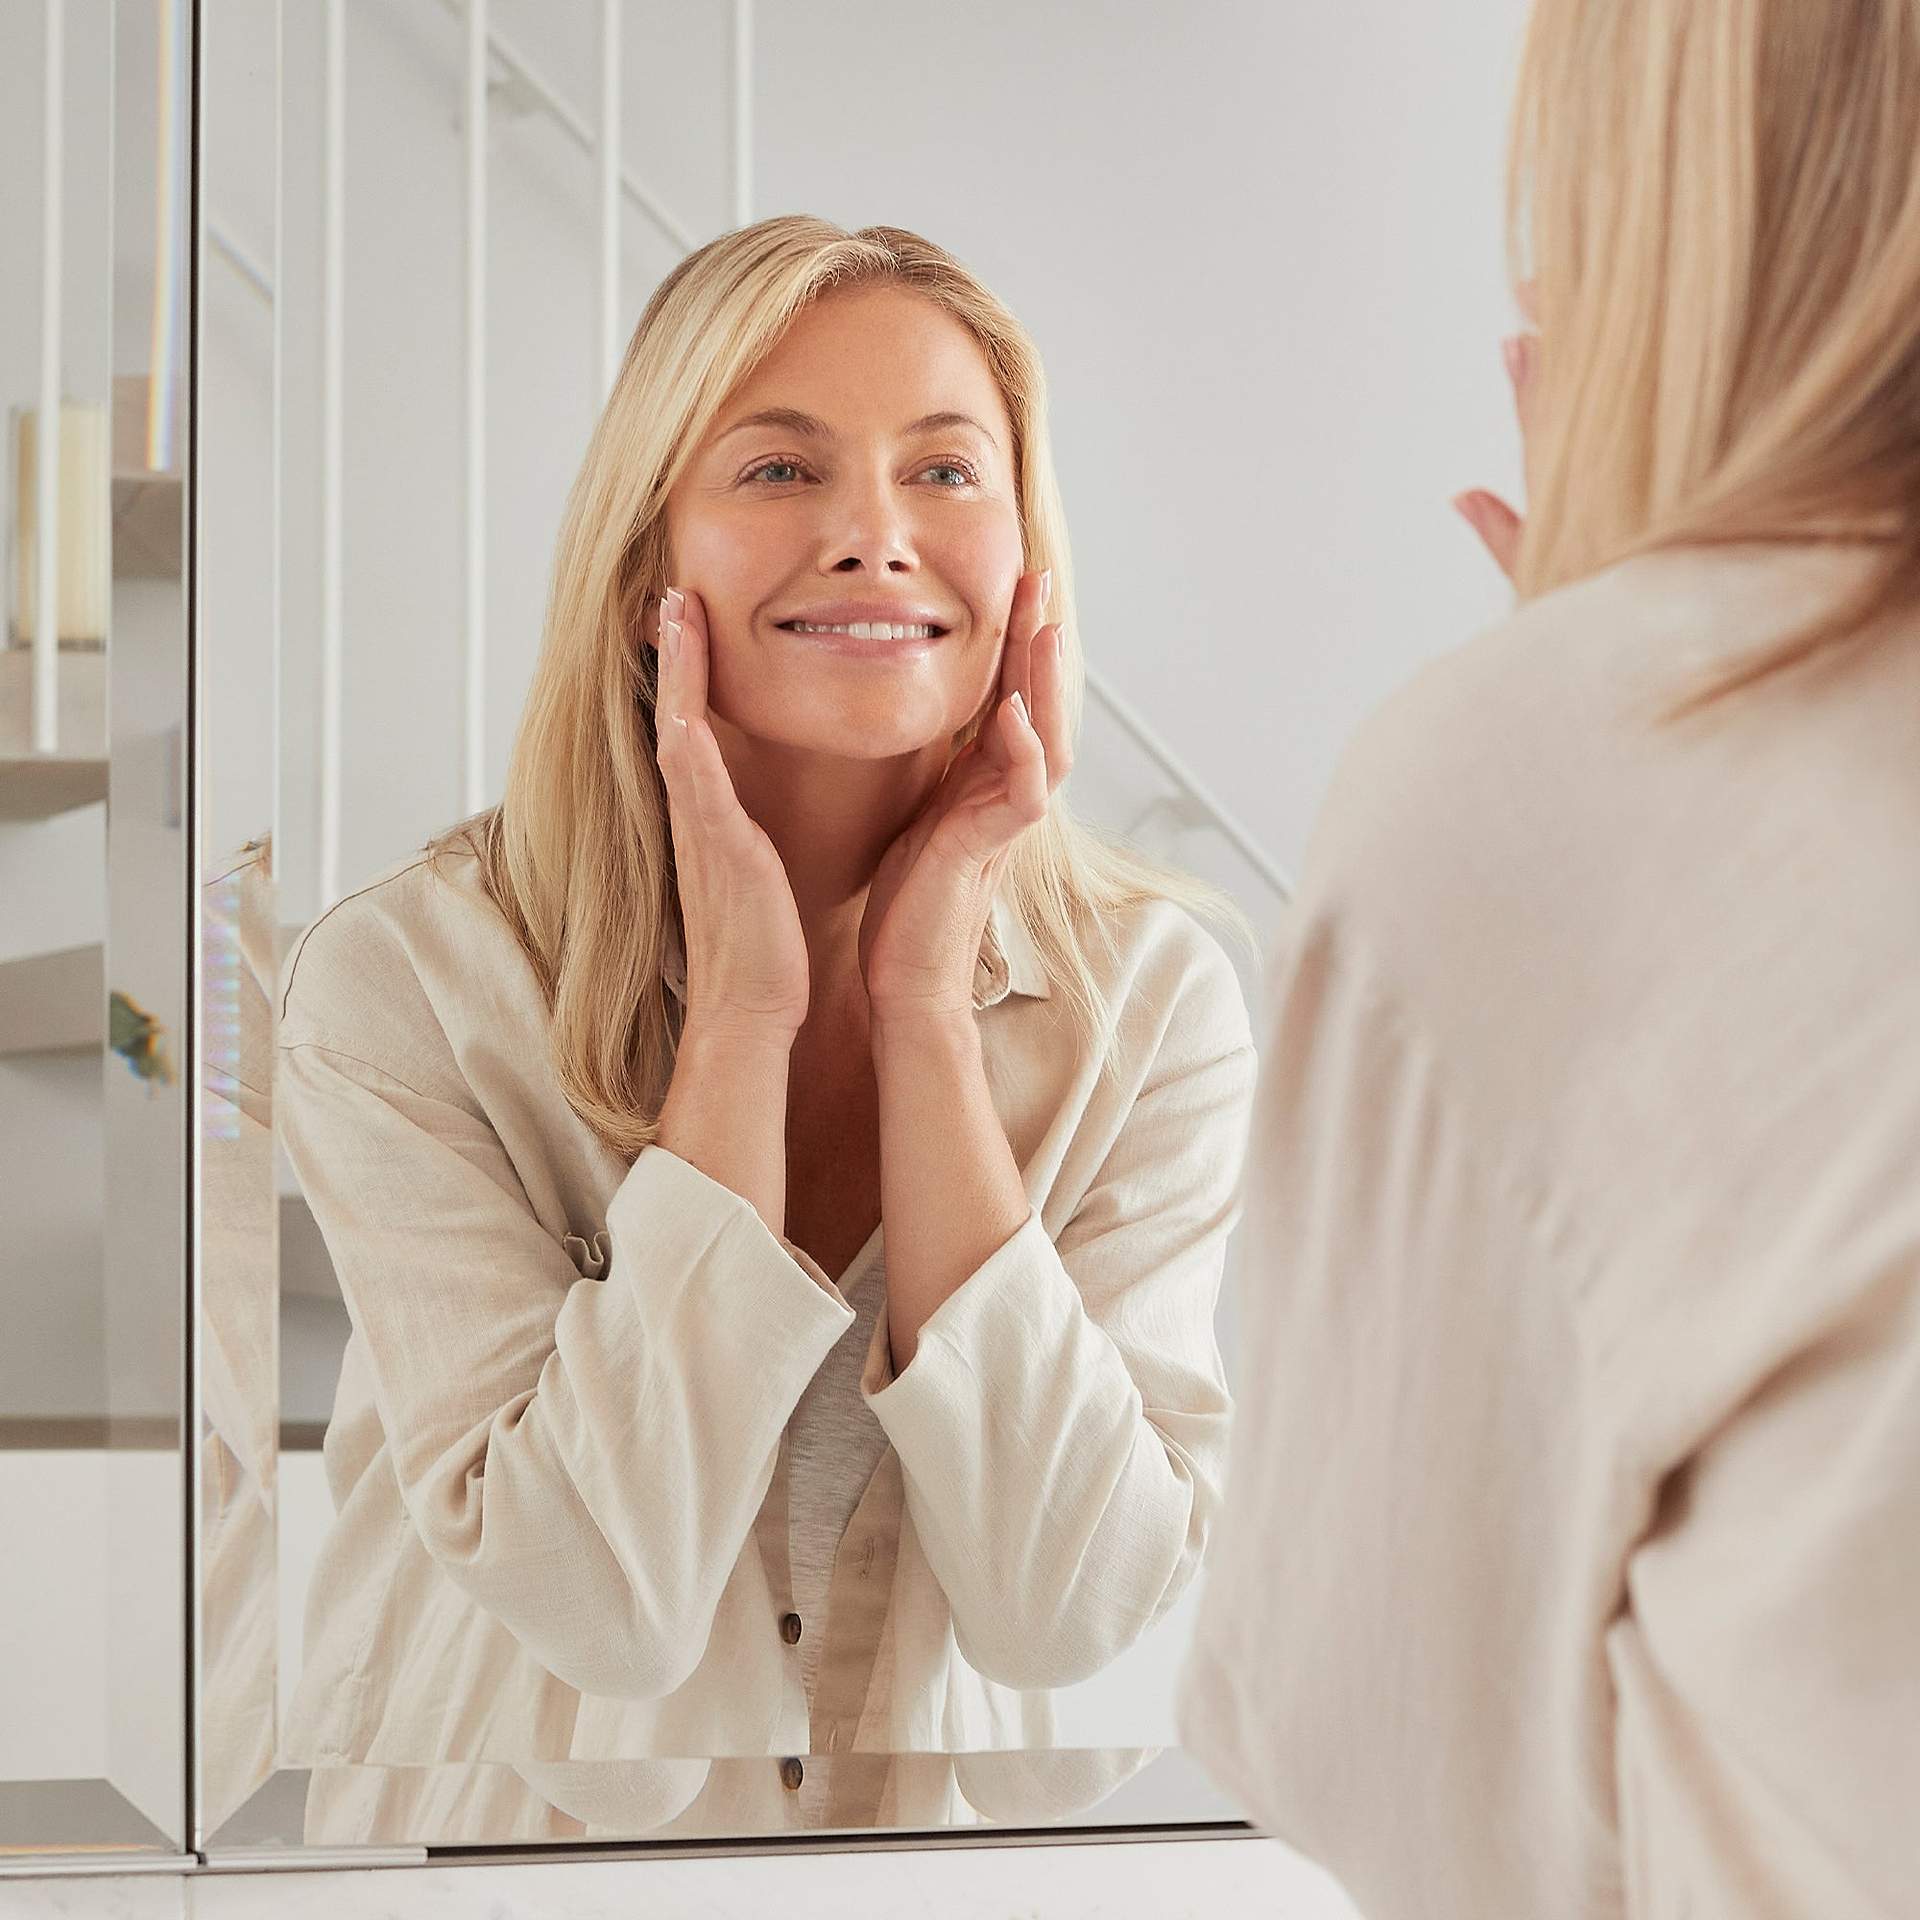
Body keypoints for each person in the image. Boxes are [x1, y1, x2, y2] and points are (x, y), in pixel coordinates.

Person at [277, 217, 1256, 1842]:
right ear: (644, 568)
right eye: (782, 470)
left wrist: (927, 1012)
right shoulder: (404, 985)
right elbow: (604, 1598)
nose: (874, 538)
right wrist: (741, 1015)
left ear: (1027, 559)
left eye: (945, 472)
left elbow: (1067, 1608)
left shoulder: (1154, 1005)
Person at [1181, 0, 1920, 1914]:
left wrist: (1600, 710)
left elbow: (1376, 1762)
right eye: (780, 471)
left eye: (948, 469)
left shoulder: (1518, 793)